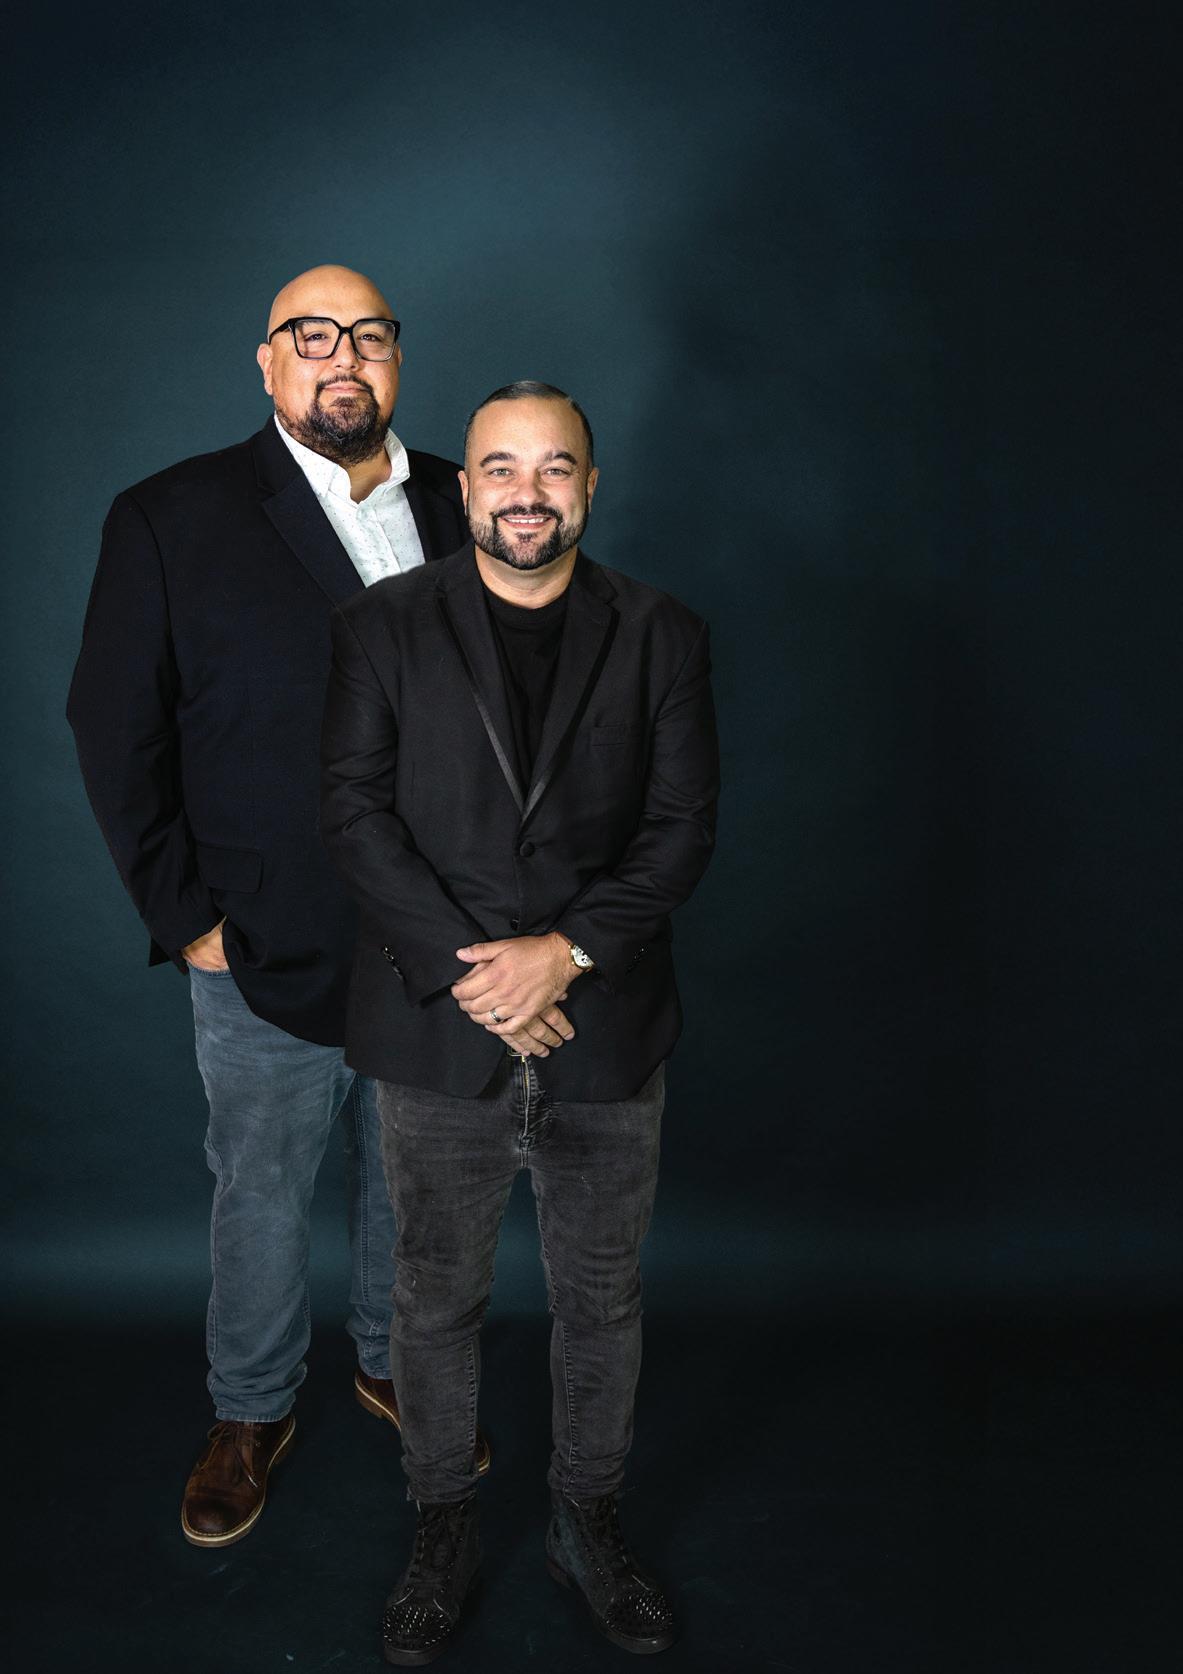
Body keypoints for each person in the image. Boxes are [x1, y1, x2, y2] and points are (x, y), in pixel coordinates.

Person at [66, 265, 486, 1550]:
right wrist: (184, 914)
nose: (341, 356)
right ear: (266, 361)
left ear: (397, 360)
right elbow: (113, 724)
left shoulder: (464, 499)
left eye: (368, 335)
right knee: (258, 1190)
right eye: (312, 335)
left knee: (413, 1183)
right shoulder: (170, 515)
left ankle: (393, 1362)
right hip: (259, 934)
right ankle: (249, 1410)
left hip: (438, 938)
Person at [320, 381, 719, 1663]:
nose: (526, 492)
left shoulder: (662, 632)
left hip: (607, 1026)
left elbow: (680, 829)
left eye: (554, 469)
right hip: (440, 1030)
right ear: (466, 488)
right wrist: (478, 976)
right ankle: (442, 1523)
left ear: (589, 486)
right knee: (433, 1296)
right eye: (501, 468)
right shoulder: (383, 626)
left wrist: (566, 955)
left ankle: (585, 1523)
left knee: (601, 1300)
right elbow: (356, 815)